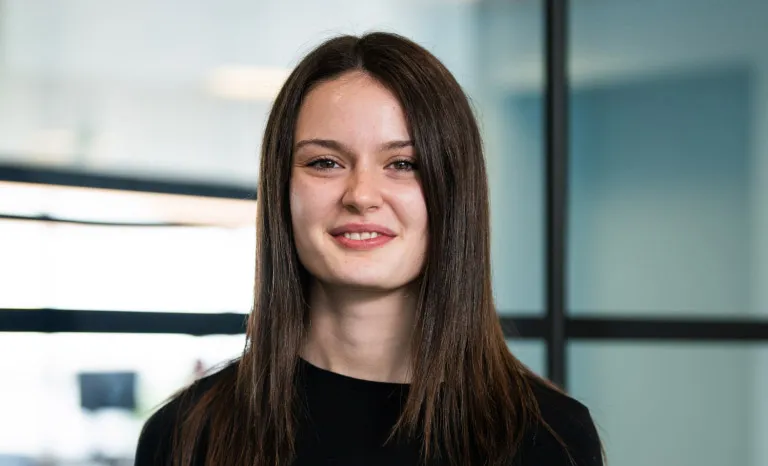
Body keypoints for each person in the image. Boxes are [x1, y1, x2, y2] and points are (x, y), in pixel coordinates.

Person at [134, 32, 604, 466]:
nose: (361, 194)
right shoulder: (186, 436)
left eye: (402, 163)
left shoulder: (549, 438)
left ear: (453, 193)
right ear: (282, 191)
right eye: (325, 162)